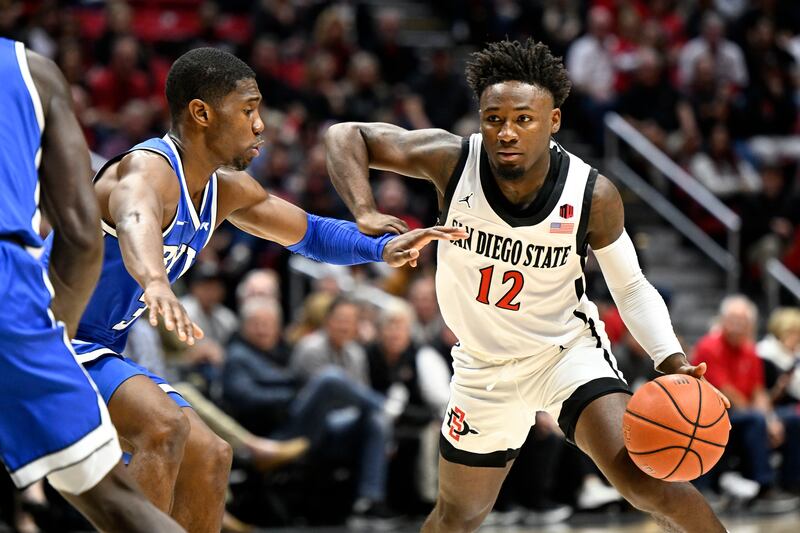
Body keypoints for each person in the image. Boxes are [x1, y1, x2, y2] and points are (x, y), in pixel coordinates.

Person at [40, 47, 465, 533]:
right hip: (43, 336)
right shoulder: (146, 171)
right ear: (201, 113)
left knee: (212, 456)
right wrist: (154, 279)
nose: (261, 124)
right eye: (248, 109)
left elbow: (310, 233)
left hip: (94, 345)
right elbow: (134, 216)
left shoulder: (224, 190)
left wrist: (383, 248)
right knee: (163, 428)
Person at [324, 38, 731, 532]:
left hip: (563, 354)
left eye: (523, 119)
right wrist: (364, 210)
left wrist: (669, 359)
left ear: (553, 120)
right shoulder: (452, 161)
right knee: (459, 515)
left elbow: (631, 288)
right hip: (481, 366)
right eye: (494, 119)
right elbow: (346, 135)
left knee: (647, 483)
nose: (506, 132)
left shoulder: (591, 194)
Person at [0, 38, 182, 532]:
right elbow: (82, 237)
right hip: (14, 300)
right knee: (117, 500)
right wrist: (55, 338)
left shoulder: (217, 188)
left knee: (183, 437)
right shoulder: (30, 71)